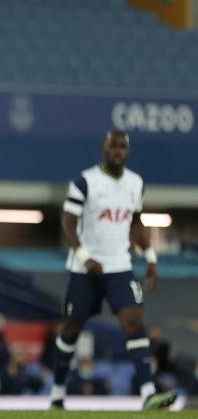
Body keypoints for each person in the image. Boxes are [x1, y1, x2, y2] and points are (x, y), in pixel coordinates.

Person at [50, 130, 176, 410]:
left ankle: (147, 393)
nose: (118, 151)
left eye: (123, 146)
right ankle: (57, 393)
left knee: (134, 321)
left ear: (128, 151)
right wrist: (84, 255)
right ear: (103, 149)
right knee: (71, 329)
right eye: (113, 146)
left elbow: (135, 222)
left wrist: (151, 257)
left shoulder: (135, 183)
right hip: (85, 268)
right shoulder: (85, 182)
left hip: (119, 265)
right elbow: (68, 222)